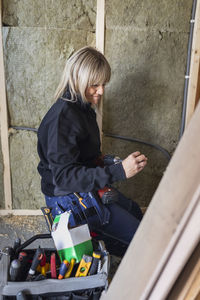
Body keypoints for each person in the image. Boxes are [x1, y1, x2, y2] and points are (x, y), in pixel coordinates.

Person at [37, 46, 147, 255]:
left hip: (81, 188)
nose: (101, 91)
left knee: (133, 210)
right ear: (77, 79)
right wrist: (119, 171)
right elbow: (64, 178)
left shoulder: (82, 108)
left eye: (103, 84)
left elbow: (78, 157)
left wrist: (105, 161)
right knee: (141, 242)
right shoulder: (64, 119)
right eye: (94, 85)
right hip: (66, 198)